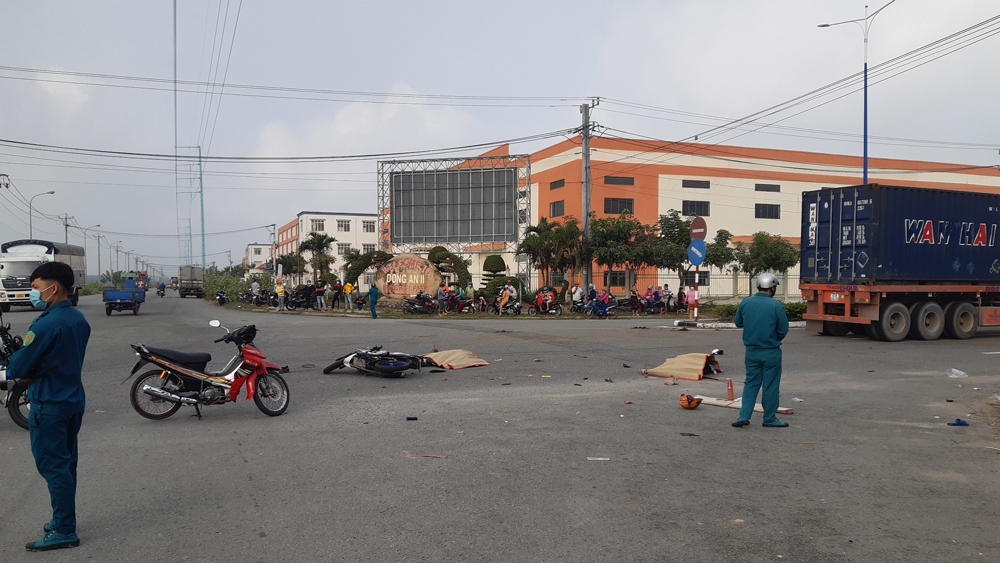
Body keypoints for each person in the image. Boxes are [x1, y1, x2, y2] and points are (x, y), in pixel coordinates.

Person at [8, 262, 90, 551]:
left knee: (54, 468)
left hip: (49, 404)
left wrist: (17, 358)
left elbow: (17, 366)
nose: (33, 293)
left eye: (35, 287)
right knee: (67, 465)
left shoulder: (45, 324)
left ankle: (65, 529)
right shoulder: (78, 319)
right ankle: (62, 520)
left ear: (52, 288)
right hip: (72, 400)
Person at [732, 273, 790, 429]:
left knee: (751, 383)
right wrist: (773, 338)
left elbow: (738, 323)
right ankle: (769, 418)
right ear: (771, 287)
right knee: (770, 385)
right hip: (771, 351)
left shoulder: (746, 303)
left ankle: (743, 416)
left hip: (751, 351)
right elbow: (783, 329)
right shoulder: (776, 305)